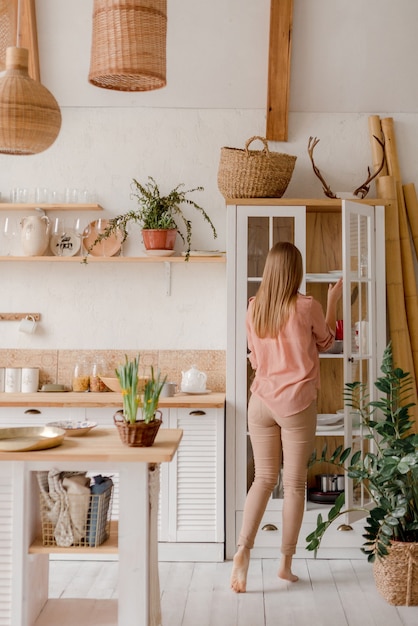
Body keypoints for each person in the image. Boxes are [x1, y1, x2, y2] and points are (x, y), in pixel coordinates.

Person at [230, 241, 343, 593]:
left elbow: (253, 358)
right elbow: (326, 342)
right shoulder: (306, 306)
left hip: (260, 401)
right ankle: (285, 564)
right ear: (296, 271)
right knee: (293, 485)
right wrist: (334, 300)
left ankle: (242, 550)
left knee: (262, 480)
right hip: (295, 404)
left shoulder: (253, 308)